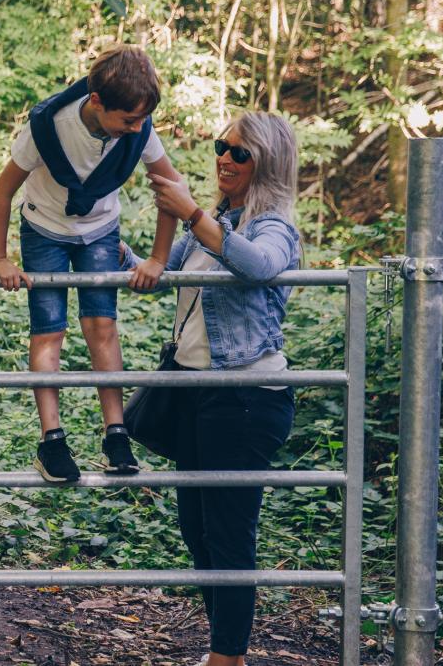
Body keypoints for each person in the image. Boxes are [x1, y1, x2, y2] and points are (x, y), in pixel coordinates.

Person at [126, 112, 302, 666]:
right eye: (221, 146)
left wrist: (193, 213)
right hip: (197, 393)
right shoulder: (215, 222)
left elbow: (259, 266)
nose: (225, 158)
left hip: (246, 397)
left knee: (227, 532)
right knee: (197, 529)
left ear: (267, 163)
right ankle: (224, 651)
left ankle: (228, 656)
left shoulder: (273, 227)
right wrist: (97, 240)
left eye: (239, 152)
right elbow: (160, 275)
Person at [0, 45, 183, 483]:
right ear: (96, 101)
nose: (137, 128)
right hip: (44, 228)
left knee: (102, 325)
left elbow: (171, 187)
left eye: (142, 119)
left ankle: (116, 433)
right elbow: (3, 192)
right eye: (128, 120)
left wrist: (157, 257)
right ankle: (52, 440)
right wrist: (0, 258)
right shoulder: (48, 126)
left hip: (99, 228)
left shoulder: (138, 129)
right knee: (49, 331)